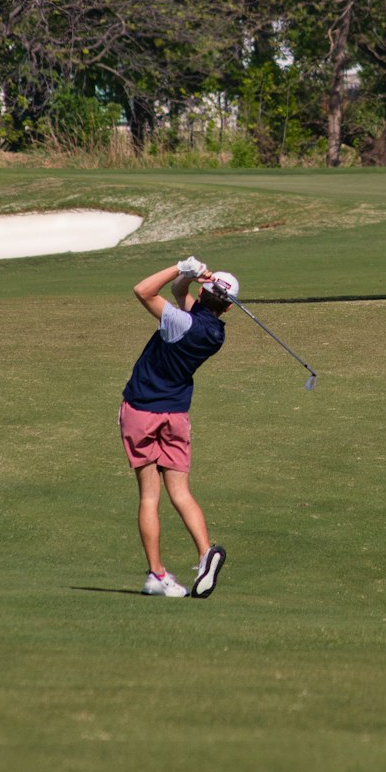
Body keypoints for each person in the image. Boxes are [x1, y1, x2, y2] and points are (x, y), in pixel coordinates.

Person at [118, 257, 238, 599]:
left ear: (204, 292)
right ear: (227, 308)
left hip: (141, 410)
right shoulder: (215, 334)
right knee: (181, 493)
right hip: (176, 416)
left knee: (149, 496)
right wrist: (186, 278)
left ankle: (156, 575)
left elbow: (143, 290)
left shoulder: (177, 321)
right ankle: (204, 555)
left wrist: (179, 266)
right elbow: (180, 295)